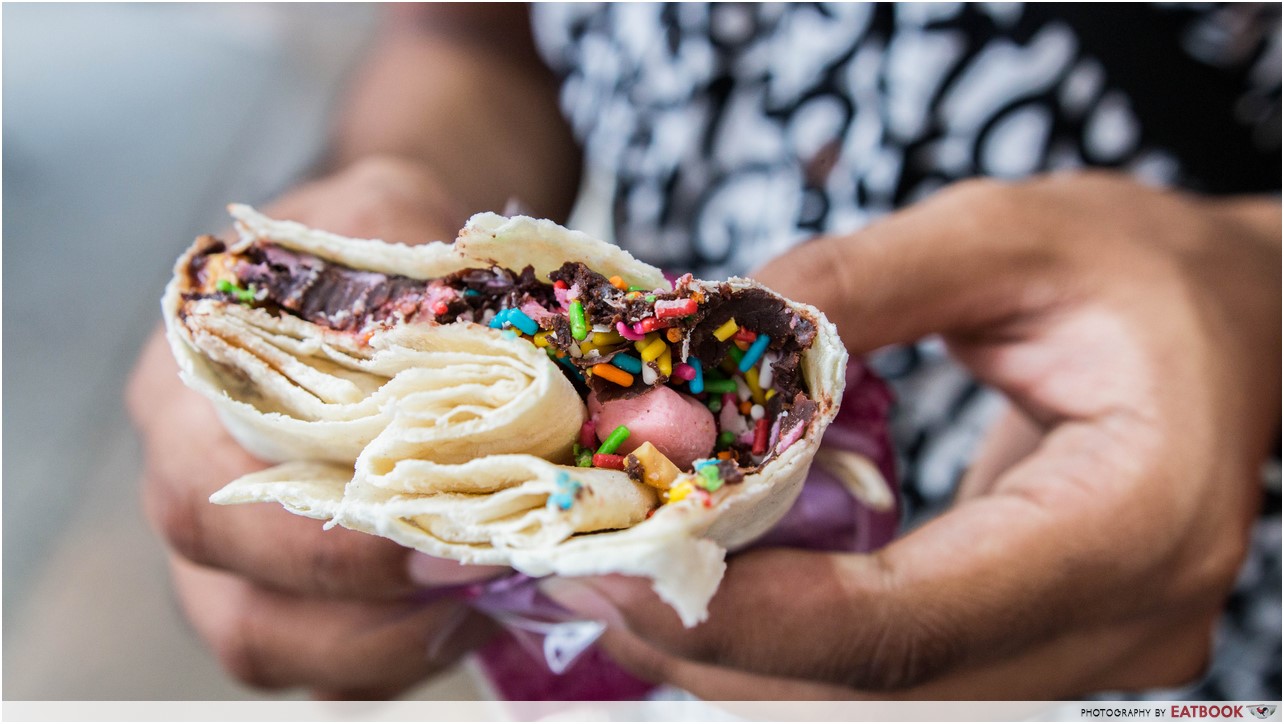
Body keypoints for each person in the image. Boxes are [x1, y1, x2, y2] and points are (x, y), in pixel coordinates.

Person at [127, 3, 1280, 700]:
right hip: (655, 652)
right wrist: (381, 205)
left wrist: (1251, 286)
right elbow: (470, 41)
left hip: (1195, 597)